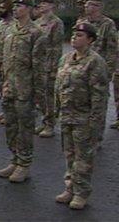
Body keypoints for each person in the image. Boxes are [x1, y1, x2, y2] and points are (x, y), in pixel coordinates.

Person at [54, 22, 108, 210]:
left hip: (84, 117)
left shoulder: (95, 62)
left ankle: (81, 192)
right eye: (74, 34)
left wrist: (95, 122)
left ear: (90, 40)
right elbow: (58, 85)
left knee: (83, 157)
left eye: (80, 35)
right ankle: (70, 187)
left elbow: (99, 95)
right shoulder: (67, 58)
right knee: (69, 154)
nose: (74, 37)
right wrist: (56, 109)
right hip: (67, 115)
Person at [0, 0, 45, 183]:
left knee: (25, 128)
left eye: (20, 6)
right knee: (11, 125)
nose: (16, 9)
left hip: (26, 89)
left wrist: (38, 94)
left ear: (30, 9)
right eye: (15, 6)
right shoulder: (9, 30)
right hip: (9, 86)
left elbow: (39, 66)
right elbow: (3, 57)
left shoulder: (36, 33)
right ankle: (15, 159)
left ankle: (24, 164)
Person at [82, 0, 118, 143]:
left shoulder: (107, 24)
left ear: (97, 7)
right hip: (83, 68)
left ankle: (96, 137)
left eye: (90, 4)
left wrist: (108, 71)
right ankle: (84, 133)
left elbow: (112, 49)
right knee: (83, 101)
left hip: (99, 69)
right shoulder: (81, 22)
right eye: (86, 4)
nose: (86, 7)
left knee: (98, 104)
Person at [34, 0, 65, 138]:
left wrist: (54, 68)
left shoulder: (56, 23)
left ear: (52, 6)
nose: (41, 5)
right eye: (40, 3)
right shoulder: (37, 22)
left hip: (48, 64)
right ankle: (44, 120)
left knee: (49, 95)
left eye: (45, 3)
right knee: (39, 95)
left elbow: (57, 47)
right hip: (37, 64)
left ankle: (50, 124)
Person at [0, 0, 15, 125]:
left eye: (3, 8)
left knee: (9, 88)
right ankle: (5, 110)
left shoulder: (15, 25)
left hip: (8, 60)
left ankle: (10, 113)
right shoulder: (0, 24)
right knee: (0, 86)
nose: (0, 10)